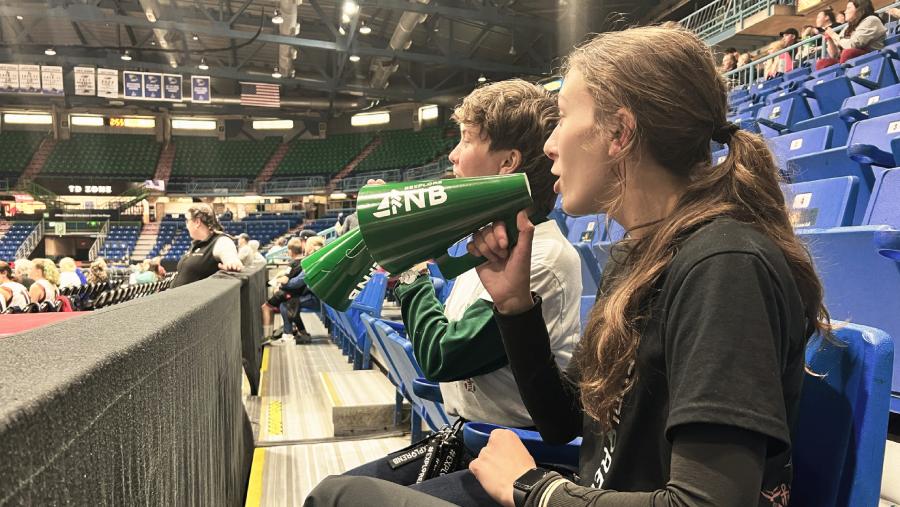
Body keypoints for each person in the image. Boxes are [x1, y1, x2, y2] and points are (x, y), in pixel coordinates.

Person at [307, 24, 829, 507]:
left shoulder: (725, 264)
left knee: (336, 497)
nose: (550, 147)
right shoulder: (642, 256)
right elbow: (563, 421)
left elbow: (706, 502)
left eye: (560, 120)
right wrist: (514, 307)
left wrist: (536, 488)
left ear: (619, 133)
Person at [323, 79, 582, 504]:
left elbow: (444, 356)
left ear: (507, 162)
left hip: (522, 451)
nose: (453, 155)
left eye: (465, 140)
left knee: (337, 498)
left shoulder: (542, 258)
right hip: (471, 439)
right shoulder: (487, 244)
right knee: (330, 492)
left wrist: (410, 275)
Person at [262, 236, 324, 345]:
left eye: (307, 244)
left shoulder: (314, 262)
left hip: (315, 298)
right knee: (290, 303)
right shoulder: (313, 260)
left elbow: (296, 283)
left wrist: (281, 285)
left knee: (286, 305)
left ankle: (288, 335)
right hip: (314, 295)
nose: (304, 247)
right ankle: (302, 333)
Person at [171, 204, 243, 288]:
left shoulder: (221, 241)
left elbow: (230, 257)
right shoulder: (196, 244)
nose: (186, 225)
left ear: (197, 222)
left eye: (187, 221)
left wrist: (232, 263)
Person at [819, 0, 886, 68]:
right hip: (850, 60)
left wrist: (834, 35)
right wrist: (829, 39)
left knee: (848, 53)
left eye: (848, 8)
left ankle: (844, 76)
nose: (845, 11)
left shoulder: (871, 20)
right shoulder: (848, 26)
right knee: (822, 63)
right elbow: (834, 55)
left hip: (873, 57)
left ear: (859, 9)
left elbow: (852, 45)